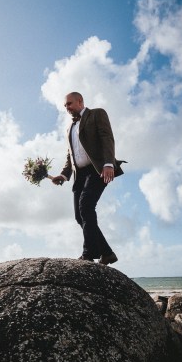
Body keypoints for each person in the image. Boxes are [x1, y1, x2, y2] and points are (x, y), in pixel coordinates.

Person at [52, 92, 124, 265]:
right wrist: (64, 174)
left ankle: (89, 253)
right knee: (80, 216)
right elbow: (71, 155)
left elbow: (107, 138)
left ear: (80, 101)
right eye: (65, 105)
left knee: (86, 206)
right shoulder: (69, 128)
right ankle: (107, 253)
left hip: (97, 170)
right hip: (80, 175)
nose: (67, 108)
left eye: (69, 104)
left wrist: (108, 164)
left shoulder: (97, 114)